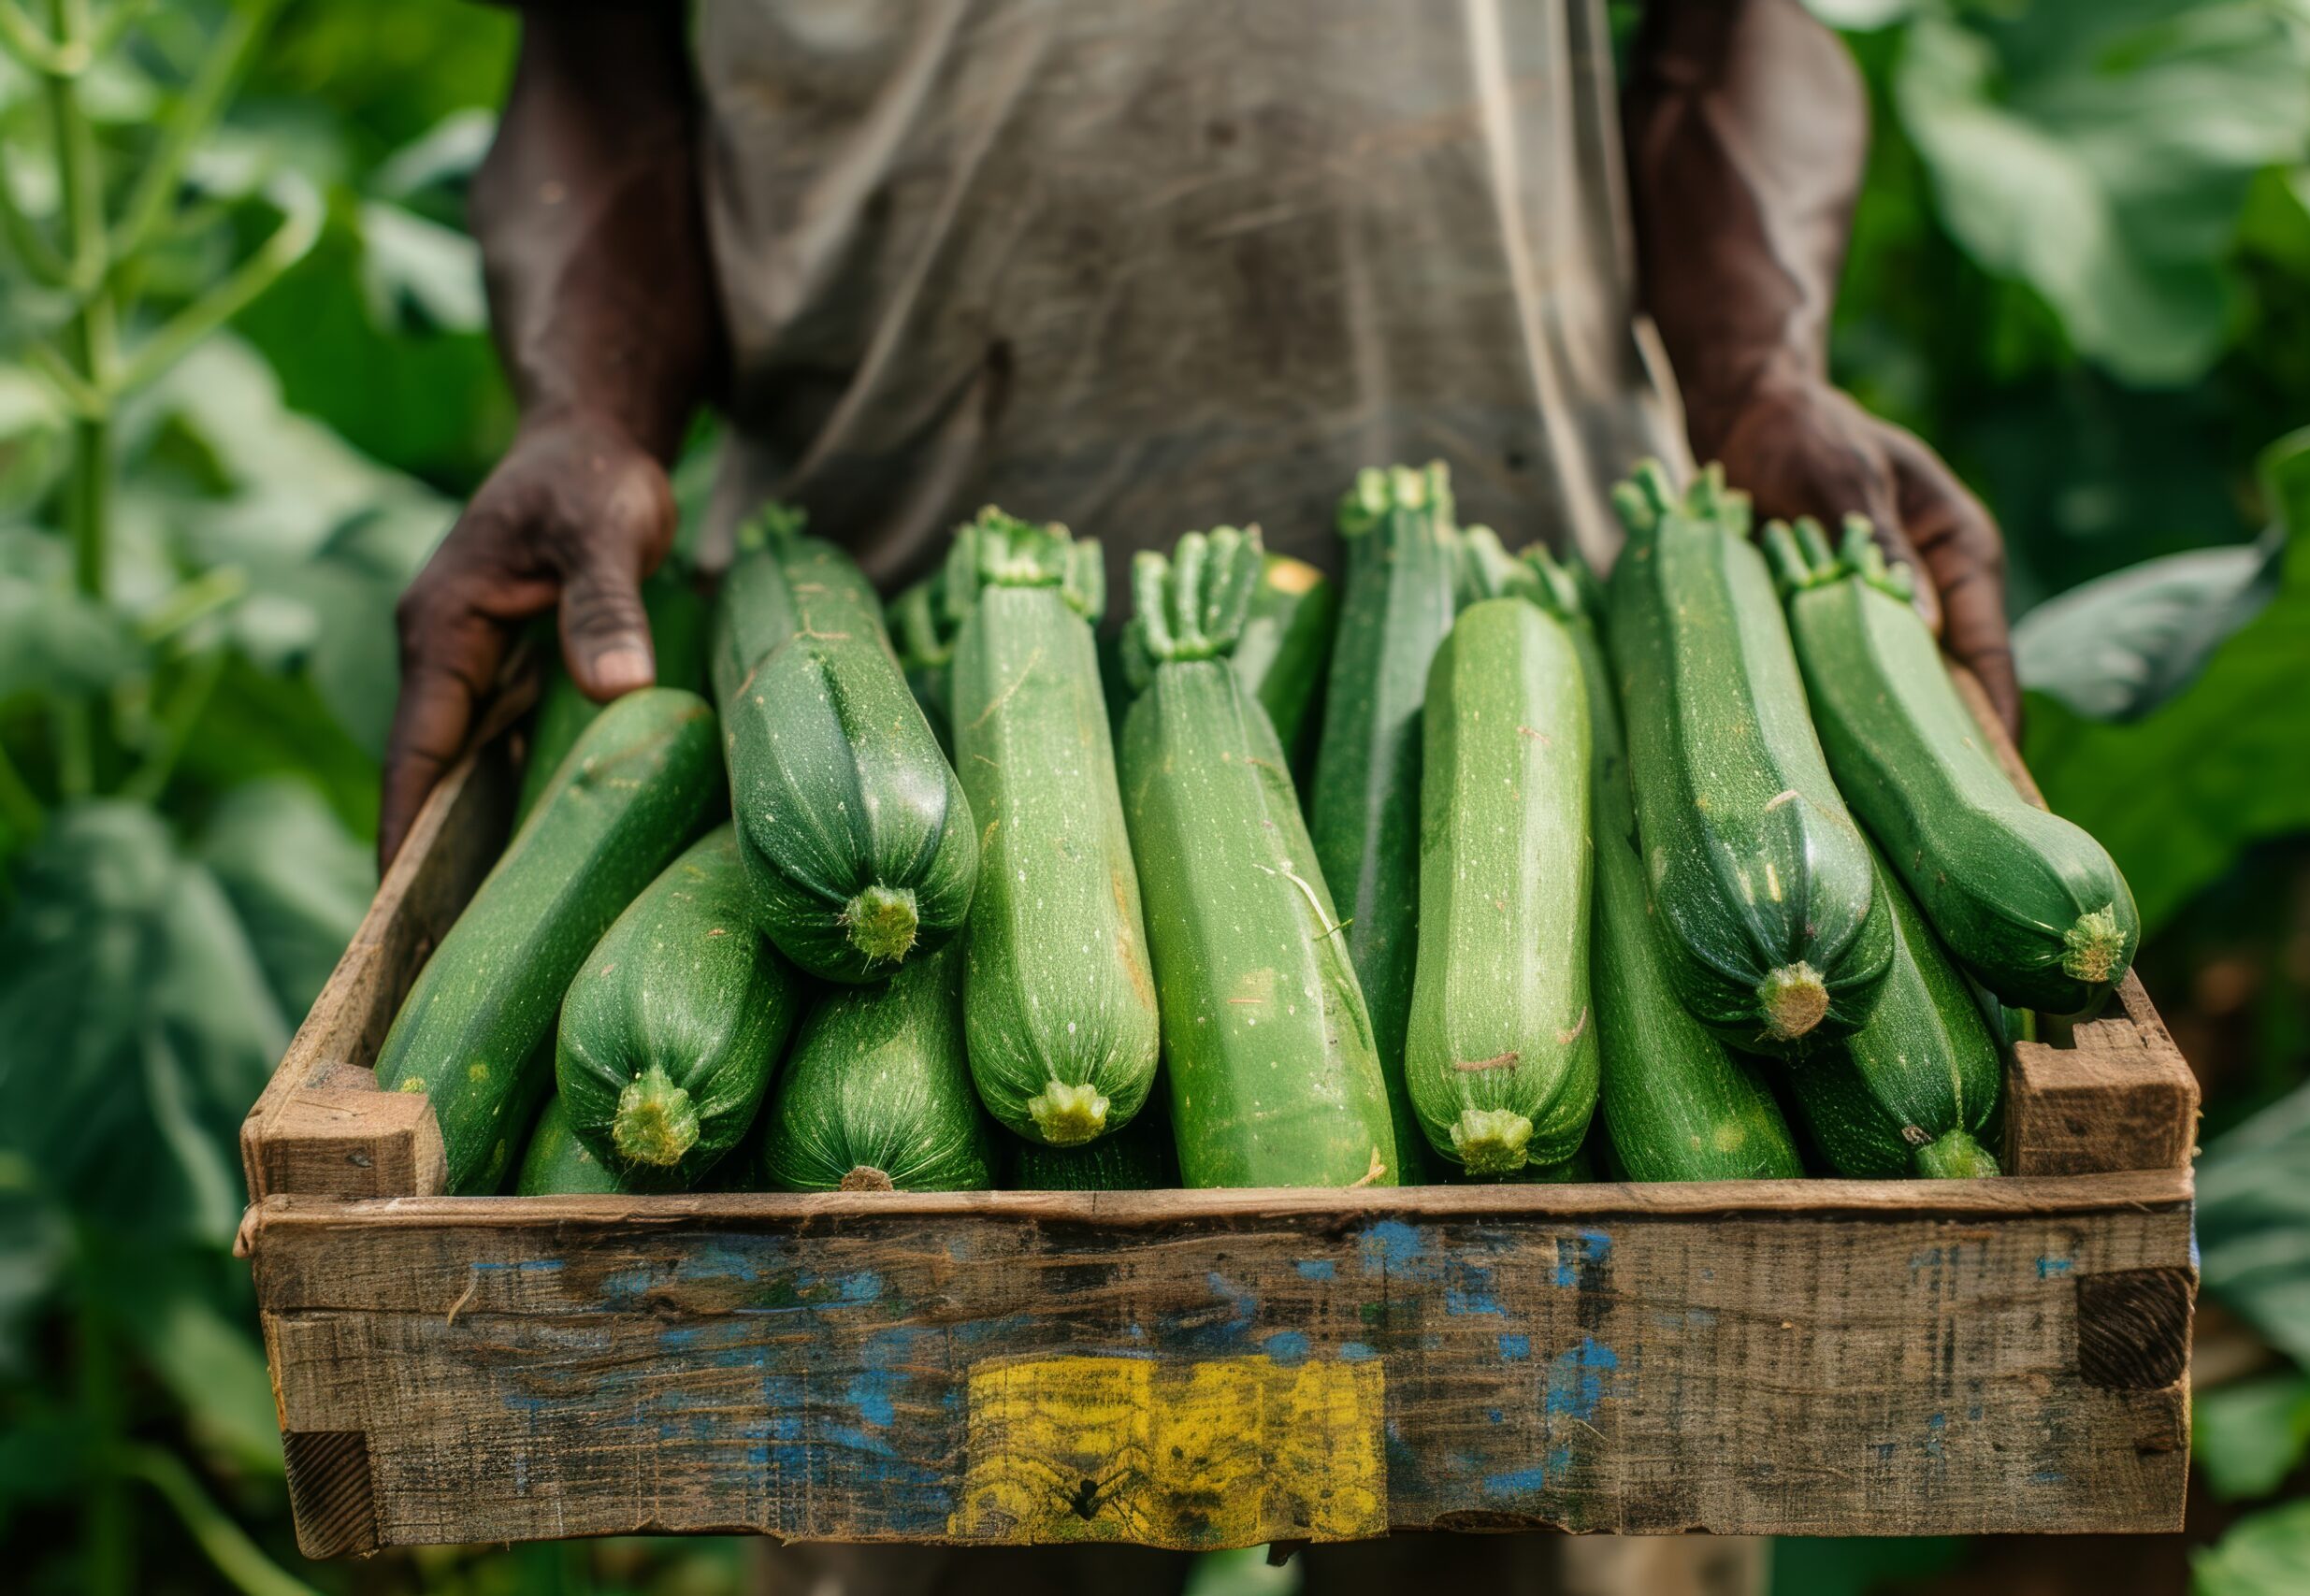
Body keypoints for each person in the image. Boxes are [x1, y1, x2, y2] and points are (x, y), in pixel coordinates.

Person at [380, 5, 2013, 1590]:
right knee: (955, 1491)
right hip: (901, 695)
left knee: (1573, 1489)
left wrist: (1756, 377)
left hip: (1538, 676)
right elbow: (595, 54)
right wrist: (583, 413)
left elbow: (1736, 29)